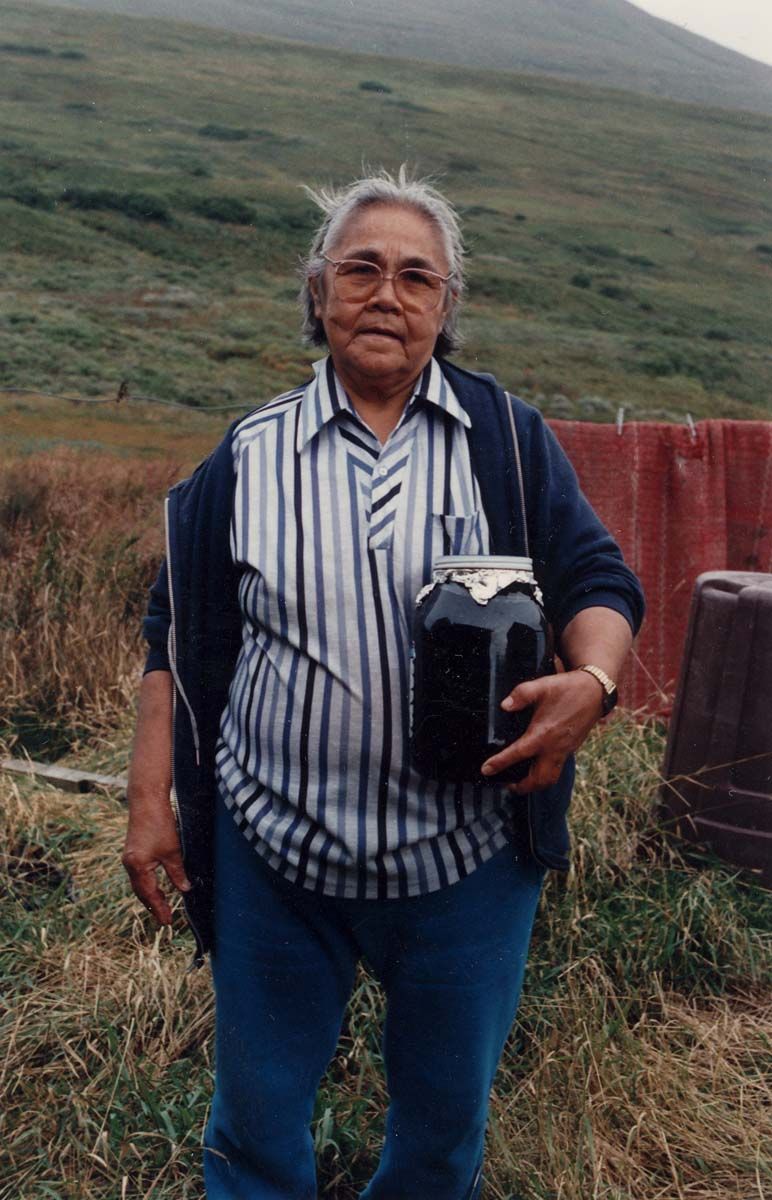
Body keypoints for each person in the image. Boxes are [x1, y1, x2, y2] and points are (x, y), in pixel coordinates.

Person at [122, 167, 644, 1199]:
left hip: (466, 865)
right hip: (278, 857)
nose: (387, 294)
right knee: (256, 1127)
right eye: (360, 268)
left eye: (417, 277)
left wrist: (593, 678)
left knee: (443, 1130)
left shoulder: (506, 440)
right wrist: (151, 803)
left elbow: (597, 578)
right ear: (316, 291)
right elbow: (171, 630)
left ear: (445, 308)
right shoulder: (246, 457)